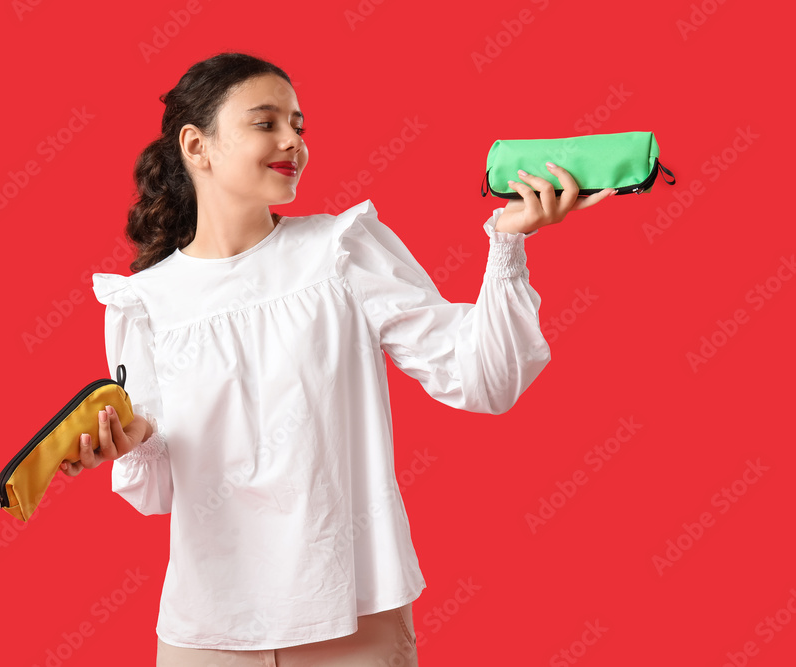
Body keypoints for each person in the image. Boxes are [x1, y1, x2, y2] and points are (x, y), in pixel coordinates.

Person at [59, 52, 616, 666]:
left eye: (298, 125)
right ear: (197, 145)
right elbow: (158, 493)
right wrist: (135, 440)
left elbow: (483, 379)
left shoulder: (341, 251)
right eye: (266, 122)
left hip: (350, 619)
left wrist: (508, 243)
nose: (292, 140)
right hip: (207, 634)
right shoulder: (142, 303)